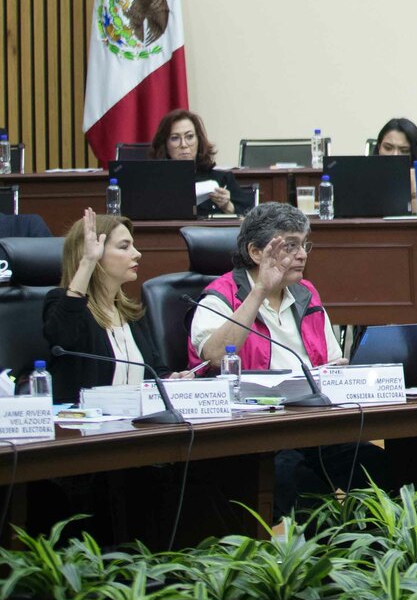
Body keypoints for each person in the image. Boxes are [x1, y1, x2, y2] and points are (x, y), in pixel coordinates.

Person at [189, 203, 383, 515]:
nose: (303, 254)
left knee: (379, 468)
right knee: (305, 488)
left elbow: (332, 362)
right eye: (290, 246)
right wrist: (259, 291)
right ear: (256, 252)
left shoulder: (306, 294)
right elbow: (214, 356)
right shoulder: (220, 295)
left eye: (304, 244)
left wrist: (337, 371)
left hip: (313, 427)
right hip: (257, 437)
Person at [42, 209, 171, 403]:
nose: (137, 254)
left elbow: (155, 370)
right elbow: (62, 337)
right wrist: (88, 262)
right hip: (83, 420)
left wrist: (172, 379)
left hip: (137, 418)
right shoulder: (64, 303)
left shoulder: (130, 312)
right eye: (124, 247)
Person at [148, 108, 243, 218]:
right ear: (165, 144)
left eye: (189, 137)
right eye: (175, 138)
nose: (184, 144)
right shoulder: (152, 182)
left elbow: (249, 218)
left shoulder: (223, 180)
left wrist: (228, 206)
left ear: (199, 140)